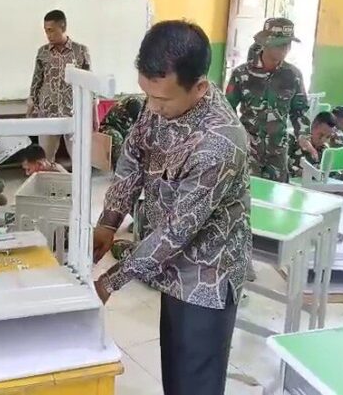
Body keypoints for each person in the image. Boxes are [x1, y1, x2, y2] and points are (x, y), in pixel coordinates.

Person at [93, 20, 251, 395]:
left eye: (161, 100)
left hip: (207, 274)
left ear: (199, 87)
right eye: (146, 95)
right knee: (175, 371)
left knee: (196, 380)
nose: (151, 107)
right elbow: (133, 157)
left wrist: (111, 280)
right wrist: (109, 222)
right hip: (170, 264)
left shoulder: (220, 141)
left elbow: (177, 230)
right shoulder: (162, 99)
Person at [226, 18, 314, 183]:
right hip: (248, 150)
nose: (285, 48)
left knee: (276, 195)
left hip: (278, 152)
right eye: (280, 44)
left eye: (288, 44)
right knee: (248, 193)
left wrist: (303, 136)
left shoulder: (293, 75)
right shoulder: (242, 74)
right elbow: (227, 110)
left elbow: (299, 111)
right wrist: (239, 136)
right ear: (265, 43)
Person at [28, 10, 91, 162]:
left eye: (51, 30)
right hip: (47, 113)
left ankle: (76, 179)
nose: (48, 35)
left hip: (73, 112)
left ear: (62, 27)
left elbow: (89, 83)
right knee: (44, 159)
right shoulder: (43, 52)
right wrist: (32, 105)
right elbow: (36, 81)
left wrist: (93, 113)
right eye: (45, 31)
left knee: (79, 158)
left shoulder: (80, 51)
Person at [288, 111, 338, 178]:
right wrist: (297, 171)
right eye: (320, 135)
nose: (323, 140)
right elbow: (282, 162)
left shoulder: (325, 150)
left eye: (328, 137)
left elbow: (331, 173)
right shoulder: (293, 141)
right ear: (313, 127)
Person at [98, 95, 145, 165]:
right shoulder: (120, 110)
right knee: (117, 138)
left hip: (127, 131)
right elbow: (124, 129)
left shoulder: (146, 108)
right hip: (110, 127)